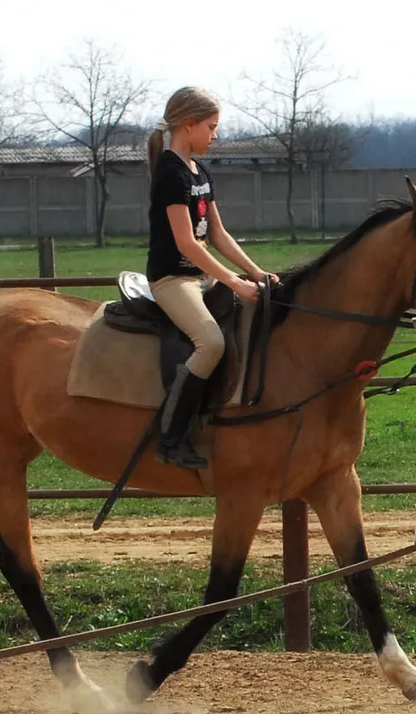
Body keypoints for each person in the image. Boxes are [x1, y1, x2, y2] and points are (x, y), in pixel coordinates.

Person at [145, 86, 279, 469]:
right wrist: (235, 283)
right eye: (211, 126)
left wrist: (255, 272)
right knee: (210, 342)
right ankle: (170, 438)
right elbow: (187, 243)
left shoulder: (199, 171)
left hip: (201, 278)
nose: (215, 135)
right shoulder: (170, 173)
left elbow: (217, 234)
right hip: (173, 280)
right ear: (188, 125)